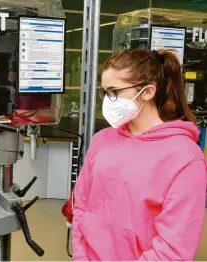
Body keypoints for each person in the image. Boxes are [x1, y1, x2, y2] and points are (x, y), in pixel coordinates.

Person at [72, 49, 207, 261]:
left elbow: (174, 249)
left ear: (148, 92)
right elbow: (81, 207)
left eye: (115, 92)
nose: (108, 101)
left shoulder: (185, 158)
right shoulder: (103, 140)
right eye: (105, 92)